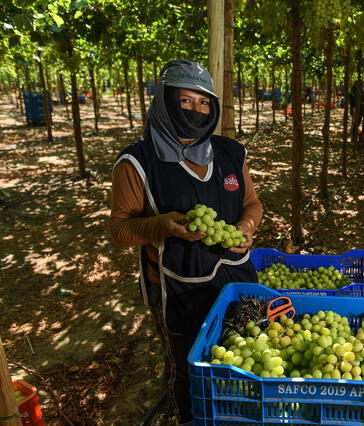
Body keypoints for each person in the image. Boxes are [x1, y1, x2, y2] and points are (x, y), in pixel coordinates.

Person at [108, 59, 263, 425]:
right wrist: (160, 225)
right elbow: (118, 230)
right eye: (186, 101)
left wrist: (247, 225)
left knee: (242, 357)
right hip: (178, 289)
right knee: (188, 368)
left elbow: (253, 204)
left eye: (204, 102)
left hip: (238, 283)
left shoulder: (230, 153)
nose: (197, 109)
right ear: (164, 101)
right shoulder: (138, 162)